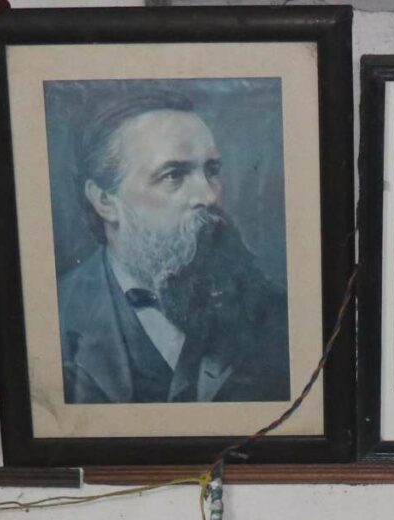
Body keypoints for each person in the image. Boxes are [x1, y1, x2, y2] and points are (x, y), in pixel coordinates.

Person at [56, 89, 289, 405]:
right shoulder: (55, 319)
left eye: (211, 171)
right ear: (105, 201)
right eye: (173, 175)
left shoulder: (276, 314)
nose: (207, 196)